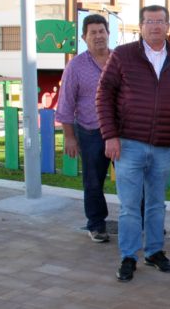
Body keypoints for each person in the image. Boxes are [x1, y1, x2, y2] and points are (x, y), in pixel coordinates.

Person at [96, 5, 170, 282]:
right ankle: (129, 256)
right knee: (130, 206)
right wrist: (110, 135)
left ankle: (155, 252)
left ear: (169, 26)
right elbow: (104, 95)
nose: (155, 26)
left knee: (156, 204)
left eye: (160, 21)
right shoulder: (123, 55)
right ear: (141, 26)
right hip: (128, 145)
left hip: (164, 146)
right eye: (149, 21)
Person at [56, 14, 113, 243]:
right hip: (90, 132)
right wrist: (70, 137)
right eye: (93, 33)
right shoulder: (76, 66)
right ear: (84, 37)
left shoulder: (119, 60)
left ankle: (139, 220)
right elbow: (66, 104)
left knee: (132, 178)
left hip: (120, 132)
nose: (98, 36)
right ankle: (96, 224)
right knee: (92, 181)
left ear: (108, 34)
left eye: (102, 31)